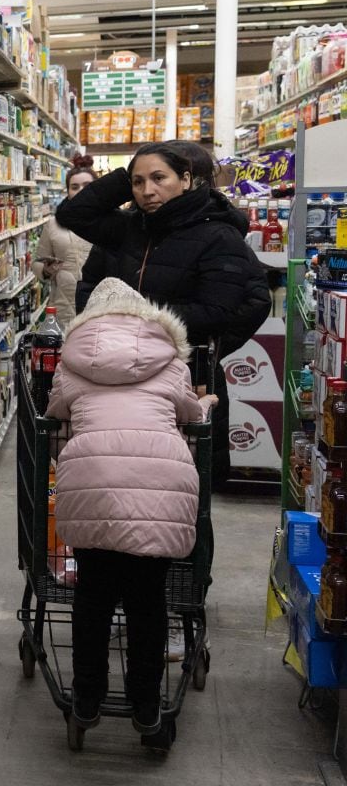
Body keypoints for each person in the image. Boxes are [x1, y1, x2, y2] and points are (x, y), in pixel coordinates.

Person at [45, 277, 217, 739]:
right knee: (147, 601)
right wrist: (204, 405)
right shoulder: (172, 363)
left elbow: (55, 412)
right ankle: (146, 707)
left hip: (92, 486)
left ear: (88, 324)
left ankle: (85, 701)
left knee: (93, 599)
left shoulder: (71, 364)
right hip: (160, 488)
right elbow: (189, 414)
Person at [58, 141, 269, 487]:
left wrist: (204, 348)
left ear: (187, 179)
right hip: (115, 377)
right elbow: (72, 215)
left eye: (159, 178)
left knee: (183, 492)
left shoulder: (218, 235)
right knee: (116, 480)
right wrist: (127, 178)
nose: (147, 191)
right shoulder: (128, 227)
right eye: (138, 182)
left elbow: (219, 311)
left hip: (185, 383)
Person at [31, 155, 96, 326]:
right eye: (75, 187)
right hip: (65, 308)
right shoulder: (54, 224)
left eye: (87, 186)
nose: (81, 190)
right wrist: (46, 270)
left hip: (102, 306)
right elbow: (37, 262)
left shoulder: (114, 222)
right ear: (68, 192)